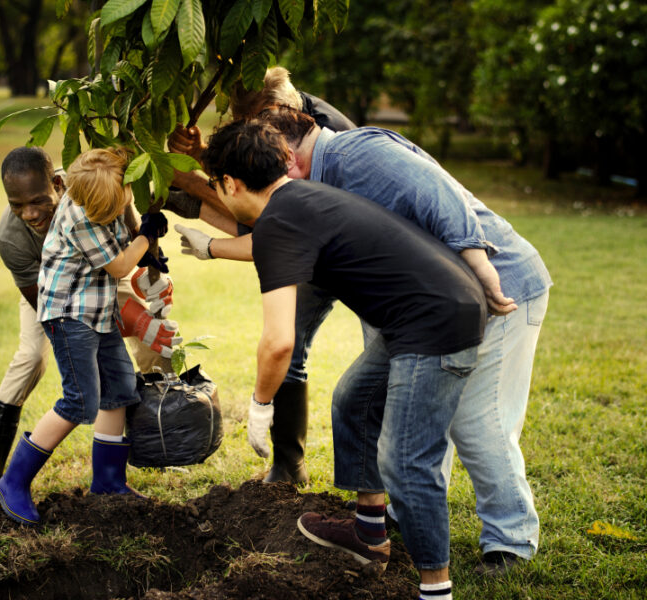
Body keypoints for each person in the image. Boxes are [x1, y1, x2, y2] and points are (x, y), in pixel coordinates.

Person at [183, 107, 551, 575]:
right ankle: (373, 527)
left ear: (289, 155)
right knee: (355, 399)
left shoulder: (358, 156)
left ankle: (507, 542)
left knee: (468, 426)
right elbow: (275, 242)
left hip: (496, 284)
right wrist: (210, 245)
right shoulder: (306, 191)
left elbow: (442, 193)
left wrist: (480, 266)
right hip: (423, 306)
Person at [168, 66, 356, 485]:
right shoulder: (280, 120)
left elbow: (272, 222)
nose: (253, 133)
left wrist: (194, 185)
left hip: (354, 253)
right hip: (315, 239)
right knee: (293, 345)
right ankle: (289, 466)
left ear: (278, 110)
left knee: (326, 363)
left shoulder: (319, 138)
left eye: (255, 124)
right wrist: (201, 161)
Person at [0, 147, 178, 485]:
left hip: (99, 279)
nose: (29, 214)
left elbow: (126, 236)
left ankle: (136, 461)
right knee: (40, 364)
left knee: (127, 376)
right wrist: (132, 317)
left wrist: (151, 267)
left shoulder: (93, 182)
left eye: (37, 201)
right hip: (57, 297)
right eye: (17, 205)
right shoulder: (22, 235)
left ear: (58, 184)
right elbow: (52, 304)